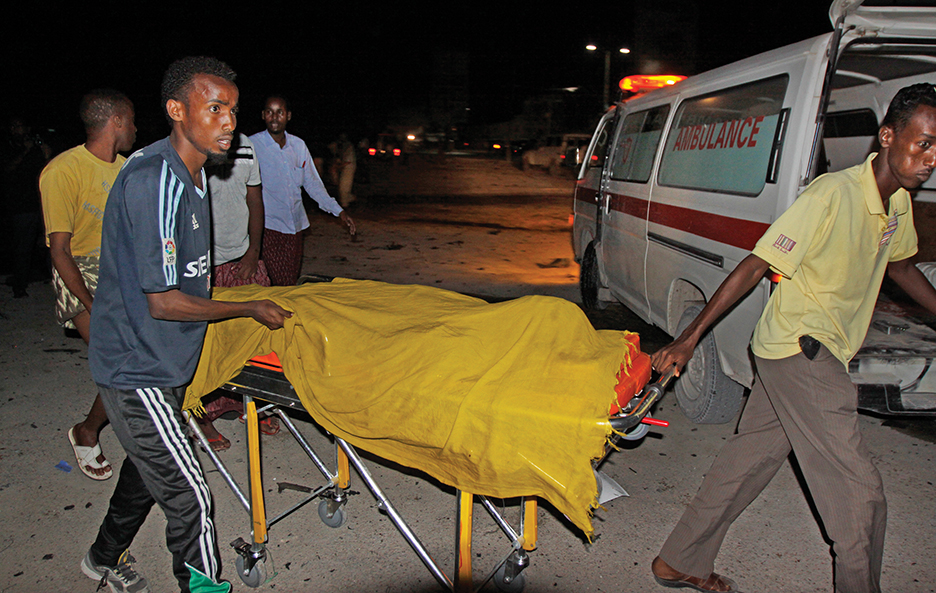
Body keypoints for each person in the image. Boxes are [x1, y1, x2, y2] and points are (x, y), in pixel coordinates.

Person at [649, 83, 936, 593]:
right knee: (859, 493)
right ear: (888, 136)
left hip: (794, 350)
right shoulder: (833, 193)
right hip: (804, 350)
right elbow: (757, 263)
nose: (932, 158)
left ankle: (680, 559)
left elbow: (902, 265)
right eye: (924, 143)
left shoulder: (896, 204)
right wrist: (690, 338)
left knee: (747, 462)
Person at [82, 56, 292, 593]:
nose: (229, 121)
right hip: (137, 367)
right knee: (192, 497)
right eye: (215, 108)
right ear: (177, 110)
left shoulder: (195, 176)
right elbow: (165, 300)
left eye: (233, 110)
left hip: (167, 362)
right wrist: (246, 306)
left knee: (148, 475)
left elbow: (192, 282)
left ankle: (100, 560)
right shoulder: (156, 181)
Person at [39, 89, 136, 481]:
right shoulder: (62, 171)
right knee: (119, 366)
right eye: (130, 120)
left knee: (134, 363)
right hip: (79, 272)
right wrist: (91, 302)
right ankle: (87, 432)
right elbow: (59, 251)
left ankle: (88, 428)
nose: (134, 128)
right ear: (114, 121)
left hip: (119, 270)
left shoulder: (128, 168)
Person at [197, 132, 276, 450]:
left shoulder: (245, 146)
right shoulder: (195, 141)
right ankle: (201, 413)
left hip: (242, 256)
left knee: (260, 333)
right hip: (205, 261)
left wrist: (254, 251)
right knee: (208, 342)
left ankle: (256, 403)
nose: (228, 117)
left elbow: (254, 199)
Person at [250, 96, 355, 286]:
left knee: (289, 280)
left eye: (279, 112)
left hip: (296, 227)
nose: (274, 117)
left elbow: (312, 183)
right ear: (263, 115)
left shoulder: (298, 146)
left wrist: (338, 210)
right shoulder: (252, 146)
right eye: (269, 111)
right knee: (279, 281)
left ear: (288, 116)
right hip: (268, 228)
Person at [2, 116, 51, 297]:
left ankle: (55, 280)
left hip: (42, 203)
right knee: (23, 246)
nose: (16, 129)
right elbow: (7, 169)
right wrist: (25, 152)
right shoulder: (8, 147)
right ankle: (19, 286)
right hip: (21, 205)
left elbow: (47, 171)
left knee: (51, 244)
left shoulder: (36, 146)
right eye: (13, 126)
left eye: (19, 126)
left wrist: (46, 154)